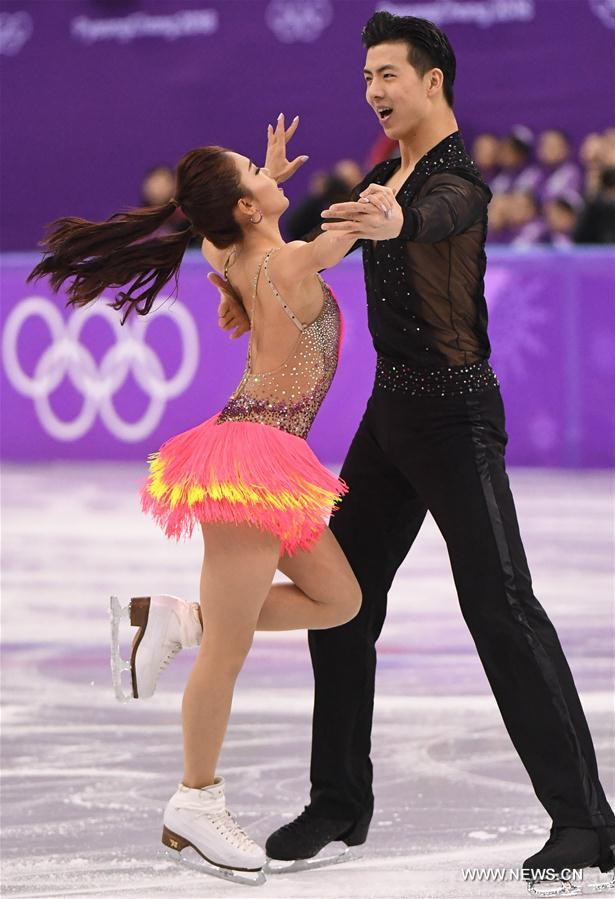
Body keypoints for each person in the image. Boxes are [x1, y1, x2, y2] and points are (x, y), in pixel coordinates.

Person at [125, 11, 615, 890]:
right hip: (390, 420)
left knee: (499, 605)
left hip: (457, 417)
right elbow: (268, 245)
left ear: (433, 81)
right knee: (345, 607)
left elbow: (440, 214)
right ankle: (339, 799)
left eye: (389, 74)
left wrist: (394, 222)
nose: (374, 91)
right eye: (365, 79)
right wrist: (291, 199)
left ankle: (583, 821)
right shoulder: (384, 170)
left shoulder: (451, 179)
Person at [25, 121, 363, 884]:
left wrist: (259, 185)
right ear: (243, 206)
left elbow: (220, 236)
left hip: (265, 455)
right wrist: (410, 170)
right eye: (254, 166)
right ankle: (195, 801)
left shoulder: (235, 249)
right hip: (253, 457)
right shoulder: (288, 255)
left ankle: (173, 618)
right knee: (229, 650)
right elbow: (361, 223)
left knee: (339, 598)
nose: (267, 166)